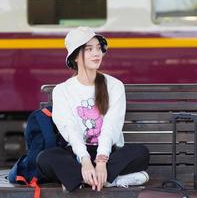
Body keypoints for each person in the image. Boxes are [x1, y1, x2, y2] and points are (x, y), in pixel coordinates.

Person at [36, 26, 150, 192]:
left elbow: (111, 126)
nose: (96, 53)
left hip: (107, 153)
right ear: (75, 57)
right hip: (77, 154)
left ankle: (79, 180)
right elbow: (70, 129)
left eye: (98, 48)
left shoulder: (114, 85)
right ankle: (110, 180)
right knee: (44, 159)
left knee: (141, 153)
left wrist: (102, 162)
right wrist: (85, 161)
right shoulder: (62, 90)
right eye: (89, 49)